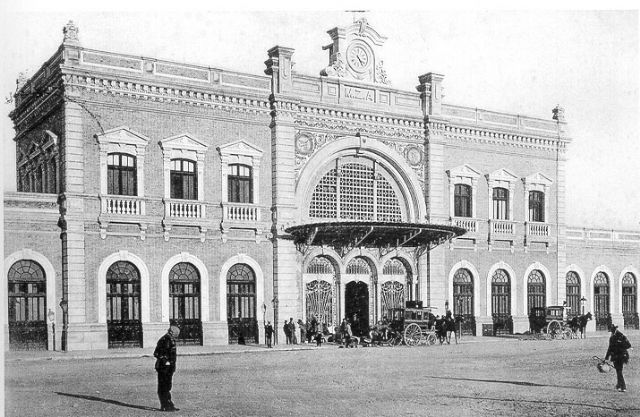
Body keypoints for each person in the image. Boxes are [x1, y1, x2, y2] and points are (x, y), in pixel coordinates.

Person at [154, 325, 180, 412]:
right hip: (163, 367)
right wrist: (165, 361)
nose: (177, 336)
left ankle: (169, 404)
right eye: (176, 334)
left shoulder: (171, 340)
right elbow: (157, 353)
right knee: (163, 386)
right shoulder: (164, 340)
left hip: (169, 368)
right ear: (172, 333)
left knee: (168, 386)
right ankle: (164, 405)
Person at [604, 324, 632, 392]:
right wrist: (606, 358)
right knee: (618, 370)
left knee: (619, 371)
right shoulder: (612, 338)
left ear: (614, 330)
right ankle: (619, 385)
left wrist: (620, 346)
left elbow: (628, 345)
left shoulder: (621, 336)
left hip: (621, 356)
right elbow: (610, 348)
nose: (611, 332)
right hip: (616, 356)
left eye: (611, 331)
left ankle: (623, 386)